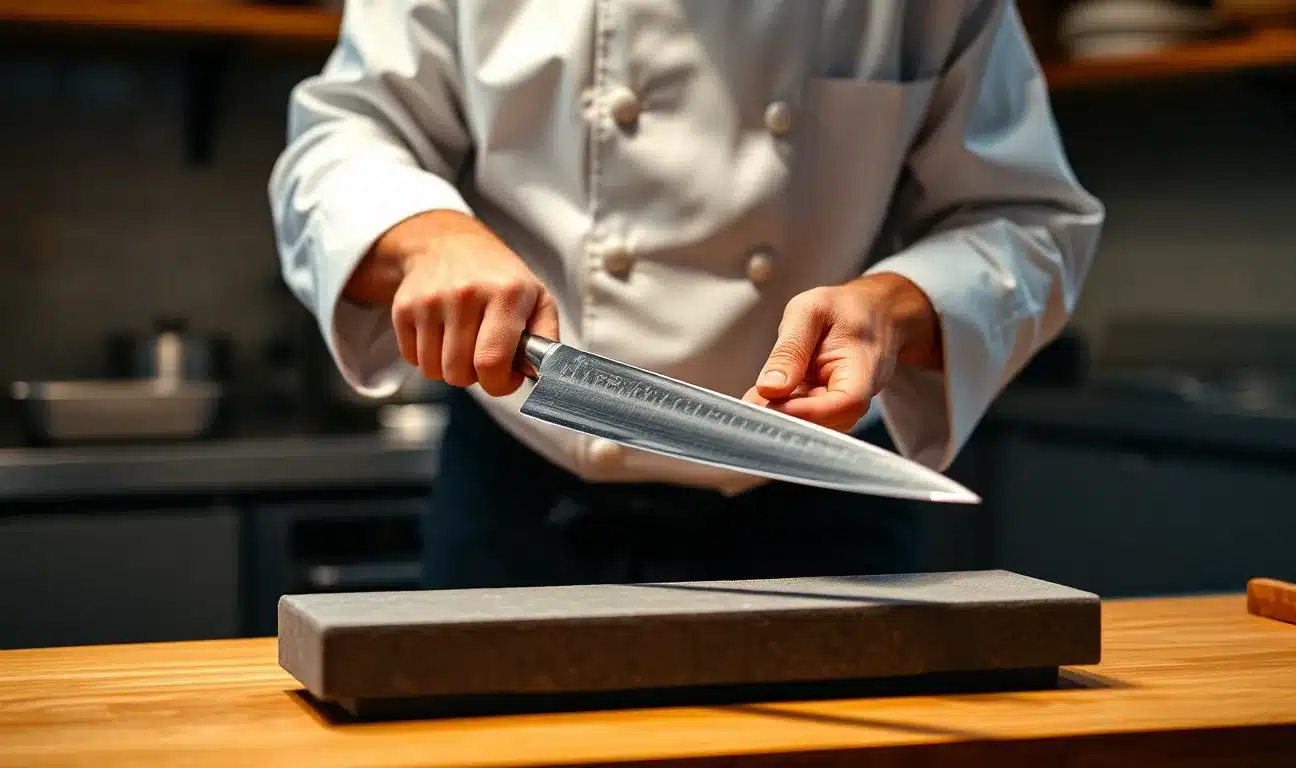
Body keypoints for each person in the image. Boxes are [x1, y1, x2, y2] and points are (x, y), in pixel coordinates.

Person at [268, 1, 1104, 590]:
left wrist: (894, 307)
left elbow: (1028, 219)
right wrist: (427, 235)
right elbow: (341, 137)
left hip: (818, 514)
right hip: (519, 496)